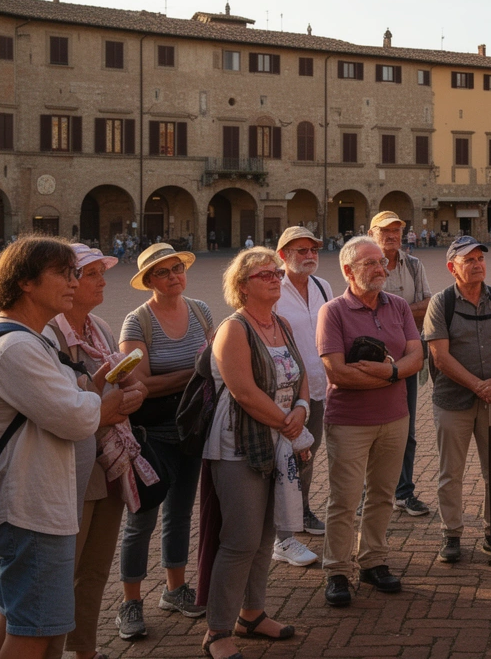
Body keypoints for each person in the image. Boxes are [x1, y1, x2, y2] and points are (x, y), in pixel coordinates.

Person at [0, 236, 145, 659]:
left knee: (23, 618)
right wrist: (104, 405)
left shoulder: (31, 340)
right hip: (33, 507)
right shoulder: (17, 347)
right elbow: (75, 417)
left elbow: (72, 398)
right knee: (34, 629)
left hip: (39, 501)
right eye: (64, 273)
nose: (73, 282)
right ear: (26, 282)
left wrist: (95, 390)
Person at [42, 243, 151, 659]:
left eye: (101, 273)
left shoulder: (100, 328)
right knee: (62, 571)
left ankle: (84, 650)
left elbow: (121, 381)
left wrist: (134, 392)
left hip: (109, 458)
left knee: (95, 565)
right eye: (91, 274)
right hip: (72, 465)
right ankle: (50, 652)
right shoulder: (49, 334)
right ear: (68, 280)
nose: (102, 281)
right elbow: (62, 406)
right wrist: (105, 401)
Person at [200, 248, 309, 659]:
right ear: (242, 286)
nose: (276, 278)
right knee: (240, 539)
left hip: (278, 439)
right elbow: (244, 392)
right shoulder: (234, 329)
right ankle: (217, 631)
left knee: (265, 534)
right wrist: (288, 423)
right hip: (240, 445)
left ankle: (252, 614)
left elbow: (300, 374)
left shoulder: (281, 324)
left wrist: (301, 409)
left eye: (277, 273)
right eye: (265, 274)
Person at [318, 236, 424, 606]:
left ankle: (372, 560)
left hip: (394, 418)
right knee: (345, 499)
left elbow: (416, 357)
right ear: (348, 271)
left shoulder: (398, 305)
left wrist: (389, 372)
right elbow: (337, 372)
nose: (381, 268)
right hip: (349, 421)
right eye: (370, 263)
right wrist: (394, 373)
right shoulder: (333, 312)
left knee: (382, 495)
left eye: (381, 262)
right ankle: (336, 569)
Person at [116, 242, 215, 640]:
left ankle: (175, 589)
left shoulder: (200, 311)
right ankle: (130, 602)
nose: (174, 276)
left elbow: (218, 362)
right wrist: (196, 373)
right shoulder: (137, 322)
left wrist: (194, 373)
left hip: (191, 430)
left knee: (180, 513)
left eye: (177, 269)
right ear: (148, 281)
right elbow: (139, 385)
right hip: (152, 434)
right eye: (163, 272)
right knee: (141, 518)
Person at [422, 236, 491, 563]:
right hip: (453, 401)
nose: (478, 265)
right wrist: (479, 386)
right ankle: (451, 533)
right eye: (469, 261)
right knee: (451, 472)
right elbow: (440, 357)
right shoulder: (441, 304)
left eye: (480, 259)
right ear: (452, 268)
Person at [369, 210, 433, 518]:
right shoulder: (367, 264)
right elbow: (364, 308)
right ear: (372, 234)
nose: (392, 235)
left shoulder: (414, 265)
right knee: (370, 428)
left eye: (396, 230)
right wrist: (408, 312)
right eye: (385, 231)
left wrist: (393, 310)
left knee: (406, 426)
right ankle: (369, 494)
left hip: (408, 356)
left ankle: (403, 492)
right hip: (373, 358)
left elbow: (428, 304)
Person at [275, 226, 333, 537]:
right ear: (283, 255)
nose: (310, 255)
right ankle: (281, 523)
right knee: (283, 456)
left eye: (313, 250)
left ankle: (303, 510)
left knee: (308, 452)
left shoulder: (323, 286)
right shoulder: (274, 287)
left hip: (319, 387)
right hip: (285, 391)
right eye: (302, 250)